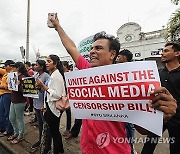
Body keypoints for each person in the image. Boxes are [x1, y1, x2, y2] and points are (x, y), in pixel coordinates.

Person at [50, 13, 177, 153]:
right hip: (88, 148)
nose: (92, 51)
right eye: (92, 48)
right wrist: (57, 27)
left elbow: (142, 129)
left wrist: (161, 115)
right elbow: (72, 48)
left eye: (98, 48)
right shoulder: (87, 71)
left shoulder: (128, 81)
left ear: (112, 54)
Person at [141, 42, 180, 154]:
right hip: (158, 117)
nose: (162, 53)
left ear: (177, 53)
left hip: (177, 120)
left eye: (166, 51)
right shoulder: (157, 73)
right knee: (148, 146)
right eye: (162, 51)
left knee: (176, 148)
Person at [36, 55, 65, 154]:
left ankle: (57, 151)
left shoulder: (57, 76)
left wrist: (43, 85)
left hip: (54, 108)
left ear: (55, 64)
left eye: (49, 61)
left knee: (54, 132)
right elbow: (47, 94)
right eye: (46, 61)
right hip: (49, 107)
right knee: (54, 131)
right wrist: (44, 106)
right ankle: (60, 149)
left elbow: (56, 95)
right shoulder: (52, 74)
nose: (46, 63)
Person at [116, 49, 136, 154]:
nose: (118, 57)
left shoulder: (132, 70)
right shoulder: (114, 68)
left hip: (129, 105)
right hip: (118, 105)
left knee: (129, 126)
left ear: (125, 58)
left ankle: (131, 148)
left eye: (120, 56)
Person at [7, 62, 29, 144]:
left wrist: (19, 86)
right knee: (11, 118)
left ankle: (21, 135)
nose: (12, 68)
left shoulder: (23, 77)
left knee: (19, 119)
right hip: (14, 100)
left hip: (20, 101)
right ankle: (16, 132)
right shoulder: (14, 76)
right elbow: (11, 88)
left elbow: (25, 92)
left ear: (18, 68)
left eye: (14, 67)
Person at [31, 60, 50, 150]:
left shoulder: (46, 76)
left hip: (43, 104)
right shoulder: (35, 75)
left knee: (45, 124)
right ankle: (40, 140)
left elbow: (48, 90)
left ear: (42, 67)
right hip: (36, 102)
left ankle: (45, 143)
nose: (34, 66)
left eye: (36, 65)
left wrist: (40, 87)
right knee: (40, 123)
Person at [0, 60, 15, 137]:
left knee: (7, 113)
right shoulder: (6, 73)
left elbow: (9, 86)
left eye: (6, 65)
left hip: (7, 94)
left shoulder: (12, 74)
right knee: (1, 112)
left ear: (9, 66)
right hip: (2, 94)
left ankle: (8, 129)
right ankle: (2, 128)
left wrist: (1, 86)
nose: (5, 67)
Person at [61, 61, 71, 136]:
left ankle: (68, 129)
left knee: (68, 113)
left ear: (65, 66)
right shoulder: (61, 74)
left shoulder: (70, 74)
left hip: (68, 96)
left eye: (62, 65)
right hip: (62, 95)